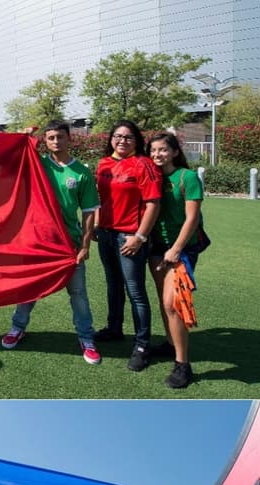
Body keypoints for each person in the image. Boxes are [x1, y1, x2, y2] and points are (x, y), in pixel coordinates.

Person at [0, 121, 102, 365]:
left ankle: (86, 338)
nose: (56, 141)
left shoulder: (81, 172)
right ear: (45, 141)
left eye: (60, 137)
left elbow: (89, 212)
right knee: (29, 289)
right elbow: (6, 160)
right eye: (51, 138)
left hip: (69, 244)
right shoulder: (37, 165)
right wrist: (23, 138)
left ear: (70, 139)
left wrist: (85, 245)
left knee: (78, 293)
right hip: (38, 241)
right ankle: (17, 327)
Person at [93, 120, 161, 372]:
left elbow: (153, 203)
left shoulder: (144, 164)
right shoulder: (104, 163)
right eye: (118, 136)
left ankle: (142, 345)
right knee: (113, 285)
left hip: (129, 237)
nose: (122, 140)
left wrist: (140, 237)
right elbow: (101, 198)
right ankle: (114, 328)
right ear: (111, 138)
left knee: (136, 291)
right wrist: (97, 225)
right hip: (106, 235)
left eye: (129, 137)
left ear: (137, 140)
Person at [145, 133, 205, 390]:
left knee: (173, 304)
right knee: (163, 300)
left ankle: (183, 365)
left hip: (181, 249)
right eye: (153, 150)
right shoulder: (153, 176)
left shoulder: (187, 178)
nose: (158, 155)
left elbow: (192, 218)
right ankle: (171, 344)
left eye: (163, 150)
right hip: (156, 247)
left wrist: (177, 249)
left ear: (174, 152)